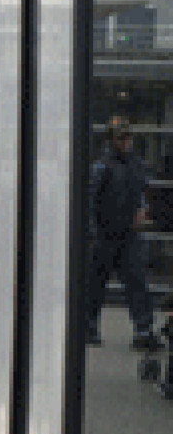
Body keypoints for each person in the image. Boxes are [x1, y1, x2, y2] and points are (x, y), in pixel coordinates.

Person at [85, 117, 159, 350]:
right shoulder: (103, 166)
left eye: (128, 137)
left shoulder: (135, 165)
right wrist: (93, 233)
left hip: (128, 235)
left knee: (137, 282)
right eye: (121, 137)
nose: (126, 141)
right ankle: (88, 328)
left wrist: (143, 211)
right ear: (112, 139)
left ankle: (143, 330)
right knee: (96, 285)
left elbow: (142, 193)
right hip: (106, 235)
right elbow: (92, 202)